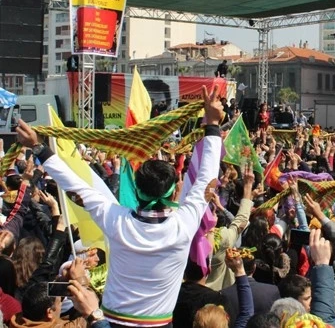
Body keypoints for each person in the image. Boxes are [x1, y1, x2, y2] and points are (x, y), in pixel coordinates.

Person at [14, 84, 225, 327]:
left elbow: (74, 185)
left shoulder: (116, 219)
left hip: (109, 322)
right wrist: (212, 124)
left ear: (136, 190)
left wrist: (39, 147)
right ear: (174, 190)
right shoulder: (184, 223)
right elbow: (207, 178)